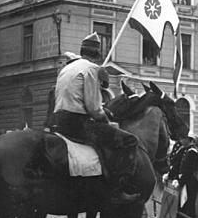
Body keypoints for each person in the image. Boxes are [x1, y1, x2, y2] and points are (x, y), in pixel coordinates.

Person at [53, 32, 138, 195]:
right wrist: (105, 118)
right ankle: (119, 188)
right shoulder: (92, 69)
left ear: (82, 51)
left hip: (58, 120)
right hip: (77, 122)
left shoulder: (67, 68)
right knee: (129, 140)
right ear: (98, 55)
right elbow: (93, 108)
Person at [171, 133, 198, 218]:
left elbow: (189, 170)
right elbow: (176, 164)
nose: (181, 140)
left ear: (190, 139)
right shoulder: (183, 150)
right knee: (180, 205)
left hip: (189, 182)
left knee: (188, 206)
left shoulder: (192, 152)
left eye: (183, 138)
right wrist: (172, 176)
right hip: (182, 181)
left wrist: (180, 180)